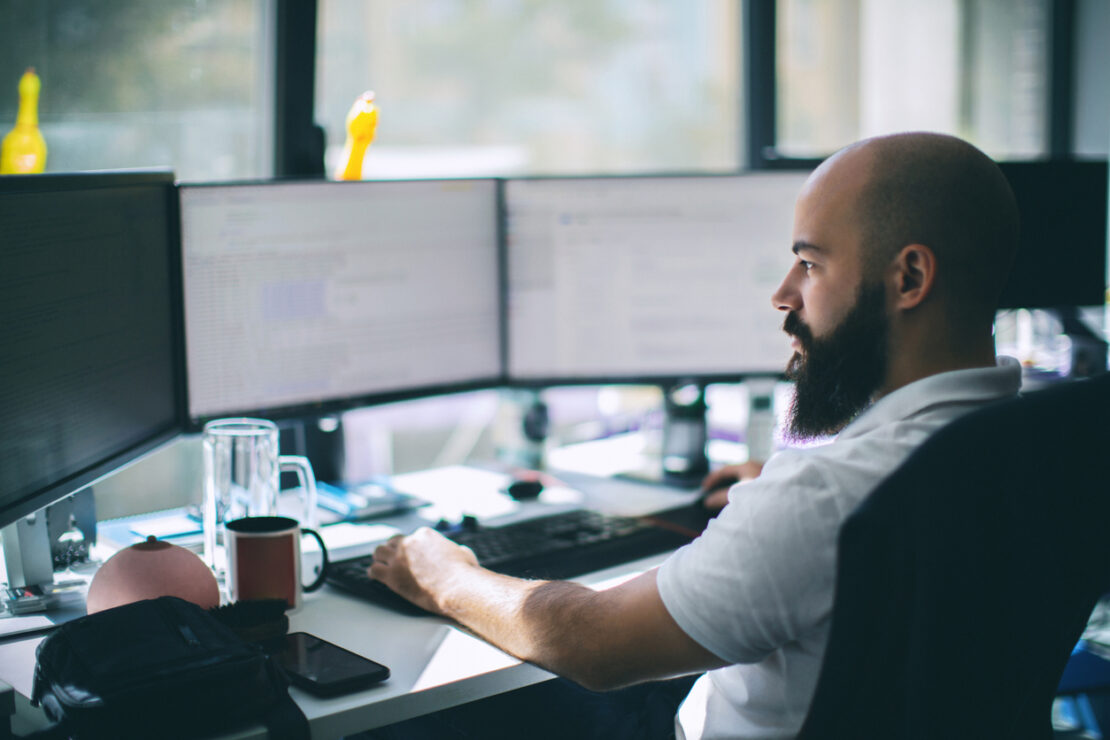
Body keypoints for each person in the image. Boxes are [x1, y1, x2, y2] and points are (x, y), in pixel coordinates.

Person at [367, 132, 1023, 739]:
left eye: (810, 264)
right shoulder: (1038, 447)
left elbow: (592, 644)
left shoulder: (826, 498)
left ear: (908, 278)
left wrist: (444, 576)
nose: (783, 294)